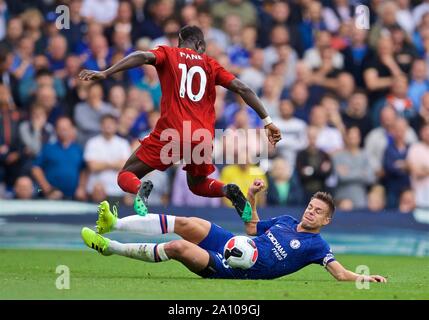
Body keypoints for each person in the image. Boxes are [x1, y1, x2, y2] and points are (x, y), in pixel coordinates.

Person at [79, 25, 282, 222]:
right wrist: (267, 121)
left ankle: (139, 189)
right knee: (197, 185)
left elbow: (141, 55)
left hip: (172, 133)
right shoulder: (211, 65)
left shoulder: (169, 53)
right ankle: (227, 190)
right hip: (202, 137)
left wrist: (106, 72)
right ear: (201, 45)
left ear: (179, 42)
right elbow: (242, 88)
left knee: (126, 174)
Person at [81, 179, 387, 282]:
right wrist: (252, 197)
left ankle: (110, 247)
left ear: (326, 221)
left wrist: (364, 277)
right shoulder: (283, 221)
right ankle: (115, 224)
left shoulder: (317, 246)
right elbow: (252, 227)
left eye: (318, 211)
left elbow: (340, 274)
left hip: (236, 268)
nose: (311, 211)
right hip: (237, 242)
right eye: (310, 206)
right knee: (189, 223)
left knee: (178, 247)